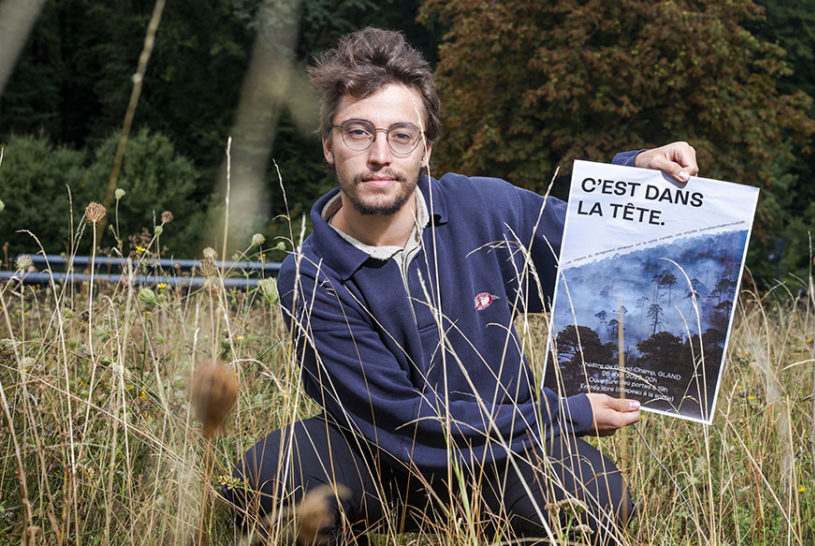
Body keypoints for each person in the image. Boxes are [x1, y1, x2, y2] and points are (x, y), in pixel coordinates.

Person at [225, 27, 698, 544]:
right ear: (328, 145)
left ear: (425, 149)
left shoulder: (484, 210)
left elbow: (600, 253)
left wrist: (636, 175)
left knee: (592, 494)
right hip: (380, 457)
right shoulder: (311, 277)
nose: (380, 154)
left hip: (505, 452)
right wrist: (567, 413)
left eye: (401, 135)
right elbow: (403, 421)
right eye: (358, 132)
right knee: (270, 480)